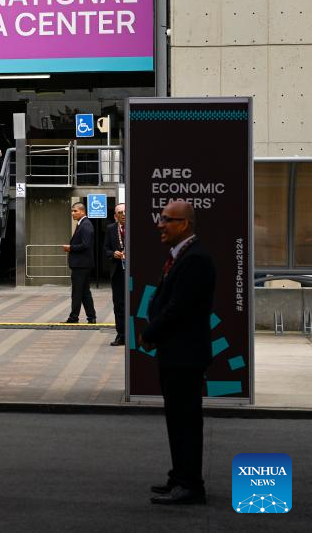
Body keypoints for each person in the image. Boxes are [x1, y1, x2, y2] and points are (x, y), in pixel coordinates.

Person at [141, 200, 216, 506]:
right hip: (176, 353)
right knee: (177, 419)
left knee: (185, 420)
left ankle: (190, 485)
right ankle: (180, 477)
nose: (160, 224)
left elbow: (178, 309)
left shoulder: (195, 260)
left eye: (166, 219)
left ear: (184, 224)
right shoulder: (182, 256)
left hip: (184, 354)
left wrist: (150, 334)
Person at [63, 202, 96, 324]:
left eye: (75, 211)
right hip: (82, 264)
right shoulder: (82, 224)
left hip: (81, 265)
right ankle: (91, 317)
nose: (73, 213)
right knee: (84, 292)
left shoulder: (85, 225)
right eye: (72, 211)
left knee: (77, 292)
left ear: (82, 211)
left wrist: (70, 248)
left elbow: (85, 245)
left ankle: (74, 317)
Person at [103, 203, 127, 346]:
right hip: (118, 271)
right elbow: (105, 248)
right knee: (119, 305)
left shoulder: (136, 227)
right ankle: (121, 335)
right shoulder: (111, 229)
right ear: (115, 216)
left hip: (133, 272)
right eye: (120, 212)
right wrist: (113, 253)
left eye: (125, 212)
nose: (123, 215)